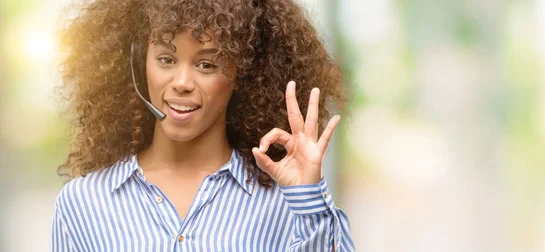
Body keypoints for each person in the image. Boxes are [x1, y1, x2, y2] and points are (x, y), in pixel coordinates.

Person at [51, 0, 354, 251]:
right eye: (166, 59)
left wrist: (308, 199)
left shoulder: (288, 201)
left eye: (206, 64)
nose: (181, 83)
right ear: (139, 62)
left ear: (243, 73)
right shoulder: (83, 203)